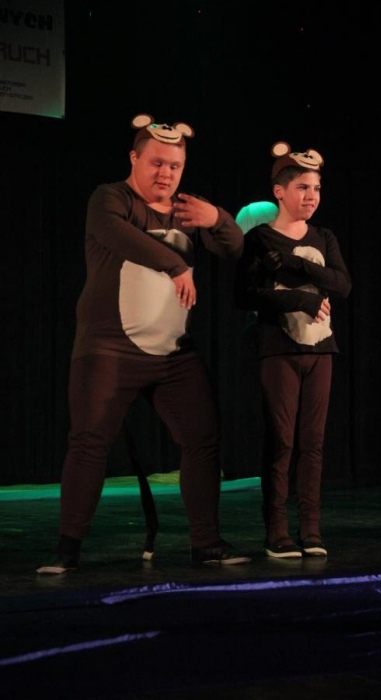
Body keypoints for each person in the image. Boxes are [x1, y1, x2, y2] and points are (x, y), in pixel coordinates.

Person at [37, 113, 251, 574]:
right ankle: (67, 548)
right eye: (156, 163)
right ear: (134, 159)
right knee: (90, 441)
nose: (166, 174)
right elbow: (118, 235)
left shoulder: (186, 209)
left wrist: (217, 218)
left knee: (203, 437)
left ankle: (205, 543)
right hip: (109, 349)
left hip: (173, 354)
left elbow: (234, 249)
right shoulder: (110, 198)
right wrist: (177, 265)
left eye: (175, 166)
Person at [234, 142, 352, 559]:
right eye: (302, 187)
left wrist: (295, 264)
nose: (311, 196)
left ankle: (311, 528)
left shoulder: (325, 237)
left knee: (313, 441)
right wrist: (299, 299)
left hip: (321, 348)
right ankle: (277, 530)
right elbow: (244, 295)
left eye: (316, 188)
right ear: (279, 192)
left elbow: (342, 284)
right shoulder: (260, 238)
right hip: (278, 346)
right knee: (282, 439)